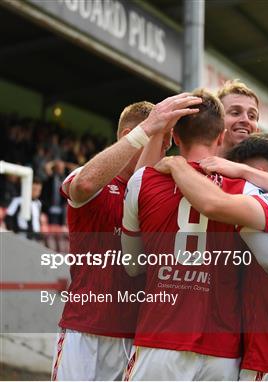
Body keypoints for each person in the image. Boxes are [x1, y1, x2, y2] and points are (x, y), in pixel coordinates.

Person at [121, 90, 268, 381]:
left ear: (175, 138)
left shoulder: (142, 181)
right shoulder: (244, 187)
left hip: (158, 343)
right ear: (220, 136)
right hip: (221, 350)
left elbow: (133, 265)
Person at [52, 95, 200, 381]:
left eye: (168, 141)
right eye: (160, 138)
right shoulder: (93, 177)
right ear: (129, 135)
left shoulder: (157, 192)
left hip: (135, 336)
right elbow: (83, 184)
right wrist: (148, 128)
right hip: (84, 331)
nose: (164, 148)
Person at [217, 79, 260, 155]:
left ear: (258, 131)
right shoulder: (193, 164)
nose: (246, 120)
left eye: (252, 116)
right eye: (235, 113)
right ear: (215, 121)